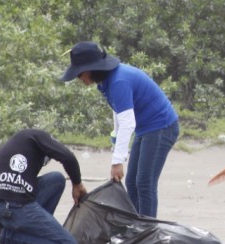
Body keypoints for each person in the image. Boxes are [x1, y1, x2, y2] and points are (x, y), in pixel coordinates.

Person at [61, 41, 179, 218]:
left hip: (161, 126)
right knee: (131, 183)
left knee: (145, 182)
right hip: (145, 128)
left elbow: (127, 122)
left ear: (91, 68)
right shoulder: (106, 81)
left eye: (79, 74)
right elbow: (119, 110)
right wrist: (116, 142)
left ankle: (148, 232)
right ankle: (135, 226)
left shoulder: (118, 81)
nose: (79, 78)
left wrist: (117, 161)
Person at [0, 128, 87, 244]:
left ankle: (26, 240)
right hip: (15, 205)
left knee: (56, 179)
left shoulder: (3, 155)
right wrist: (77, 184)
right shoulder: (37, 137)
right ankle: (2, 235)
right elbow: (68, 157)